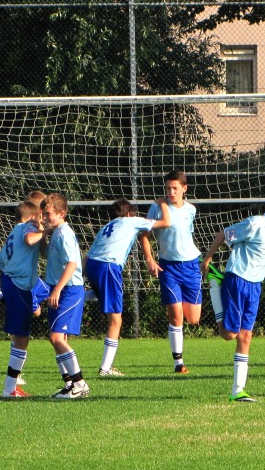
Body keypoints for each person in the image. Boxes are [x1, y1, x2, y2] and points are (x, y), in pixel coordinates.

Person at [200, 195, 265, 402]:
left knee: (246, 336)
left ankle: (238, 390)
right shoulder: (254, 224)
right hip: (237, 280)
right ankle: (215, 283)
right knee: (229, 334)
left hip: (255, 286)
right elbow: (223, 234)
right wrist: (208, 258)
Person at [85, 198, 171, 376]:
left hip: (93, 265)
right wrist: (163, 204)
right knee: (116, 320)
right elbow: (166, 223)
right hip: (109, 266)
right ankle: (106, 368)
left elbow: (87, 256)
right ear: (130, 213)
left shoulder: (106, 228)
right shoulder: (132, 221)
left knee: (98, 295)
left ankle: (72, 295)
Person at [0, 200, 48, 397]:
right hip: (19, 284)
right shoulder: (27, 227)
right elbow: (31, 240)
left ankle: (11, 387)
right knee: (22, 337)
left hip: (12, 283)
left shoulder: (10, 236)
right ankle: (10, 388)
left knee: (23, 334)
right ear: (33, 217)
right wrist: (46, 231)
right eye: (40, 217)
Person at [140, 169, 202, 374]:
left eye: (175, 188)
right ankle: (178, 363)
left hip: (191, 265)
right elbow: (144, 235)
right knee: (175, 315)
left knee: (193, 319)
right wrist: (149, 259)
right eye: (168, 188)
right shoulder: (157, 208)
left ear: (184, 188)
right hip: (169, 267)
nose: (171, 192)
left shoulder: (191, 210)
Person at [42, 193, 90, 399]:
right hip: (60, 288)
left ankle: (80, 384)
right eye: (43, 214)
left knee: (56, 337)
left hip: (69, 290)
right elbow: (49, 256)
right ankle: (69, 384)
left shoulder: (64, 233)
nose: (44, 218)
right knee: (56, 338)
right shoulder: (56, 233)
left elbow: (72, 264)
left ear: (61, 214)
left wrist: (57, 289)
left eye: (48, 214)